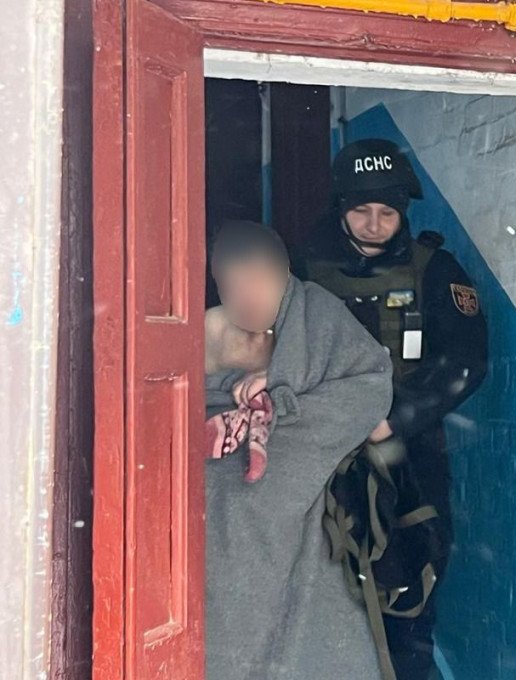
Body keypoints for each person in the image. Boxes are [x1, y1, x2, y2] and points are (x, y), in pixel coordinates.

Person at [296, 139, 488, 680]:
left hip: (409, 456)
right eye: (361, 210)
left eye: (387, 212)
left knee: (411, 577)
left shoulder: (436, 269)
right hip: (316, 454)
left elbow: (465, 363)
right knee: (318, 581)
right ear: (340, 208)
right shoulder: (300, 267)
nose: (374, 223)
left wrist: (393, 421)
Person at [204, 220, 393, 680]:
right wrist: (232, 405)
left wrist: (282, 398)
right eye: (233, 287)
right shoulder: (209, 331)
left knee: (312, 622)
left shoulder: (315, 315)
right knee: (222, 607)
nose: (247, 299)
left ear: (285, 273)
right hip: (220, 513)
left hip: (297, 502)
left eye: (258, 283)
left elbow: (369, 389)